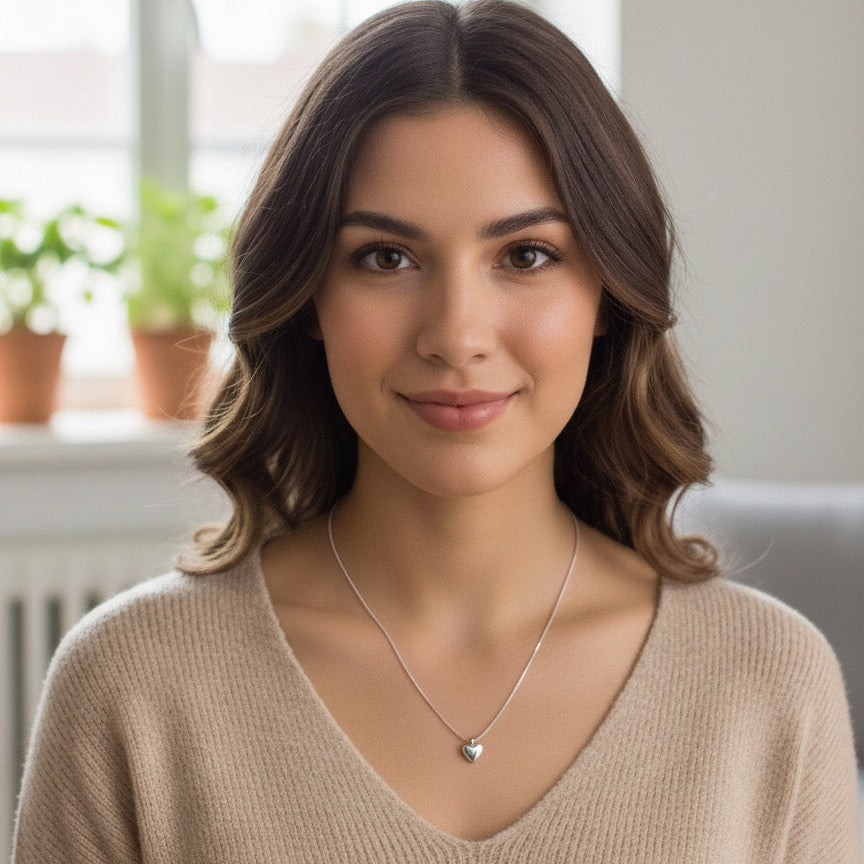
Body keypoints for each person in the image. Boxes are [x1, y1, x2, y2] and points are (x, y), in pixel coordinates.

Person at [13, 1, 862, 861]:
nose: (457, 334)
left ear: (608, 293)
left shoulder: (769, 682)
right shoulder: (131, 685)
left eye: (526, 256)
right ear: (308, 298)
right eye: (386, 258)